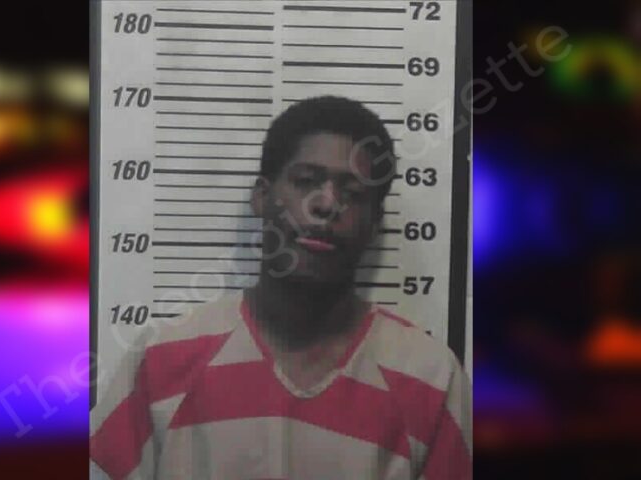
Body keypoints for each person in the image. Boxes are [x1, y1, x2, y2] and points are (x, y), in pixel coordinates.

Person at [90, 96, 471, 479]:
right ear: (261, 197)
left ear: (374, 223)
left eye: (353, 193)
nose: (326, 204)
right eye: (305, 182)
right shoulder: (161, 361)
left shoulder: (431, 380)